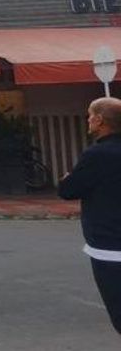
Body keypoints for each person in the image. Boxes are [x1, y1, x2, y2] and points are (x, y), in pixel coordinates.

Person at [58, 96, 121, 335]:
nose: (88, 119)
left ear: (100, 120)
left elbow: (69, 190)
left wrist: (65, 180)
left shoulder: (96, 155)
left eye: (89, 114)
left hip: (110, 247)